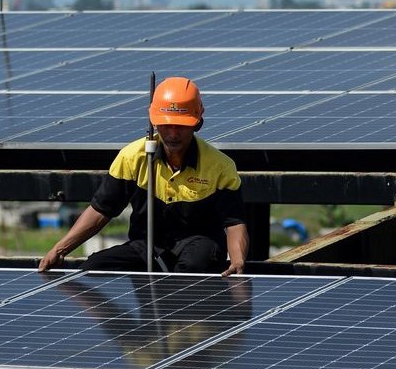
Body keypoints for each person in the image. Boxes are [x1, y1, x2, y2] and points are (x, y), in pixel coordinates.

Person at [38, 76, 249, 276]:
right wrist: (60, 249)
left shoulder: (220, 167)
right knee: (93, 268)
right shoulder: (133, 157)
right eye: (166, 125)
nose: (173, 134)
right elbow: (101, 210)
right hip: (146, 246)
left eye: (181, 126)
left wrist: (237, 260)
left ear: (197, 122)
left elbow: (234, 223)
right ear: (154, 121)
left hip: (200, 246)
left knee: (193, 266)